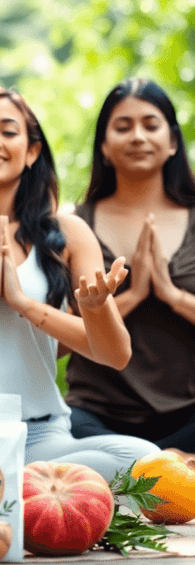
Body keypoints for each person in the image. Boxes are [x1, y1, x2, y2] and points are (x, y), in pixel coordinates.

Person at [0, 85, 158, 481]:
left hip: (39, 435)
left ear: (31, 152)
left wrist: (30, 306)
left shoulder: (66, 233)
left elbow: (115, 354)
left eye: (8, 131)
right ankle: (17, 483)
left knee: (148, 461)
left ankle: (11, 481)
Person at [66, 78, 195, 452]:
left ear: (172, 141)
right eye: (123, 127)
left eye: (150, 125)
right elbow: (58, 336)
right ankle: (155, 467)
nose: (137, 136)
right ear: (104, 146)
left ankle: (154, 467)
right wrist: (133, 295)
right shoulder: (74, 224)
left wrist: (172, 296)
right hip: (96, 418)